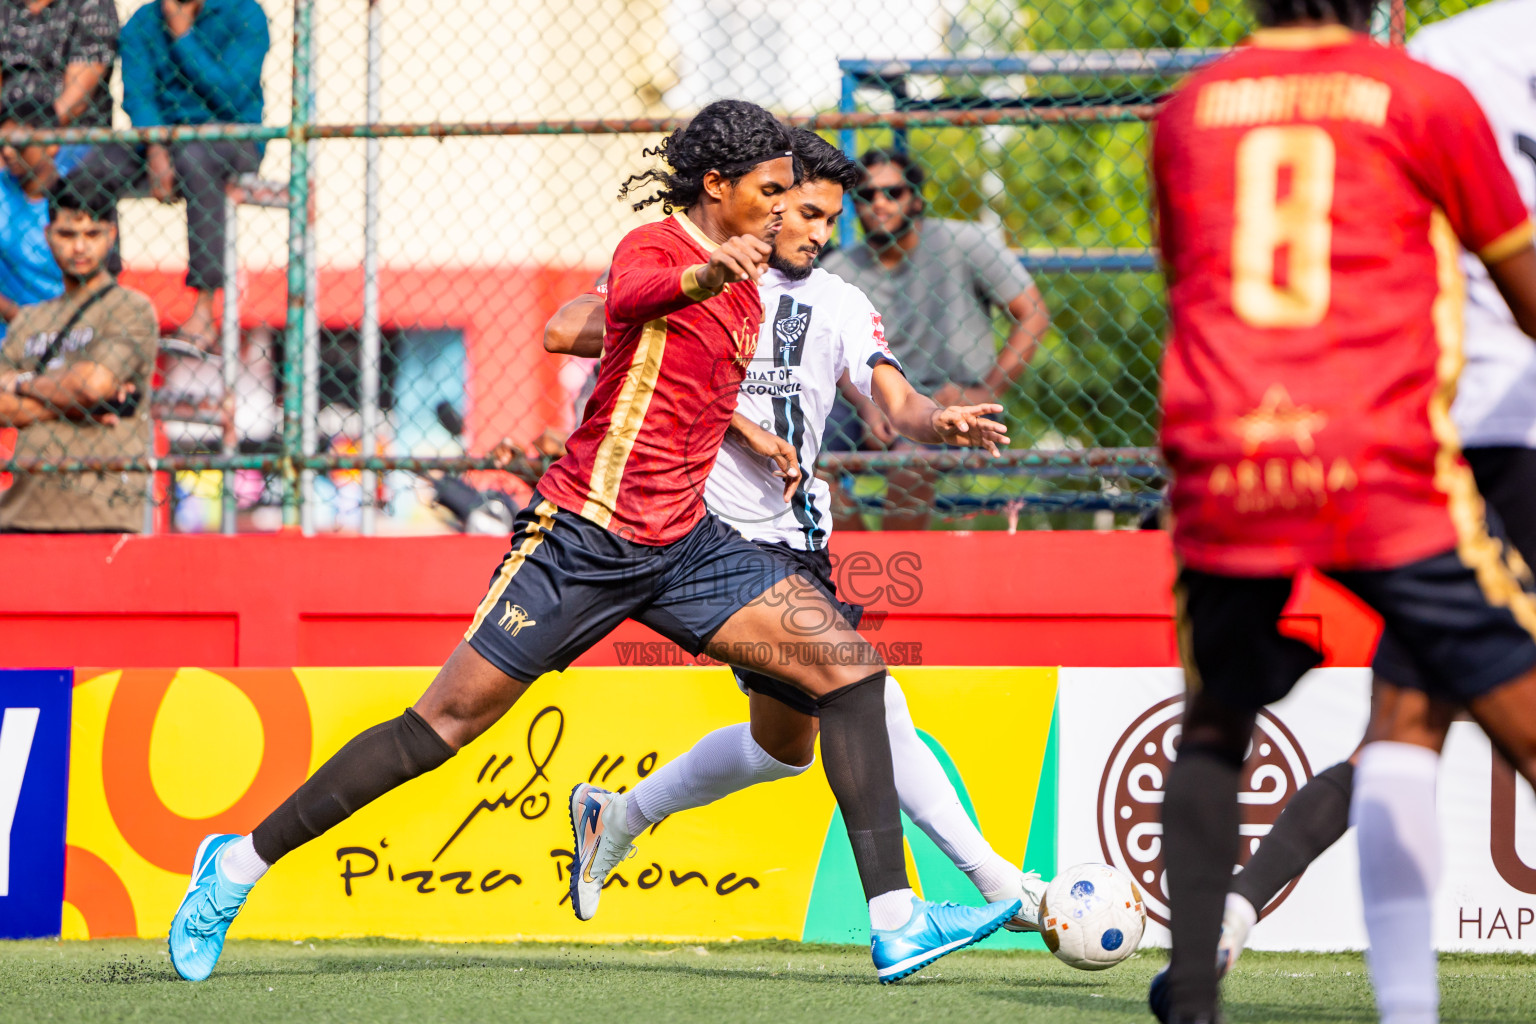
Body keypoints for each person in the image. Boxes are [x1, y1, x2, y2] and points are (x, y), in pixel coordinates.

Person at [165, 100, 1018, 987]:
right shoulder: (655, 251)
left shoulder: (773, 286)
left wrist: (818, 423)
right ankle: (236, 868)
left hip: (686, 543)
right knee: (444, 723)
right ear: (717, 187)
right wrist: (698, 279)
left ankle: (896, 918)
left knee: (851, 673)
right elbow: (631, 301)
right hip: (582, 538)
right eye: (769, 193)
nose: (780, 211)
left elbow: (709, 387)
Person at [543, 128, 1045, 932]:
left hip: (796, 541)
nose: (820, 232)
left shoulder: (839, 300)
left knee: (783, 748)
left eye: (831, 219)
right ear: (763, 199)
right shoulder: (698, 272)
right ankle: (999, 889)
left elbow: (895, 397)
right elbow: (567, 327)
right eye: (807, 212)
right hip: (707, 541)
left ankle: (620, 816)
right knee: (873, 699)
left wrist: (934, 420)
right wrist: (728, 404)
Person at [1146, 1, 1536, 1022]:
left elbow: (1194, 278)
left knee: (1216, 725)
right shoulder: (1421, 93)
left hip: (1227, 457)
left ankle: (1191, 995)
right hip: (1379, 458)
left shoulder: (1188, 109)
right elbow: (1517, 276)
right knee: (1517, 708)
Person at [819, 148, 1050, 529]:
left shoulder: (966, 242)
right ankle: (861, 567)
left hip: (950, 397)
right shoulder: (839, 269)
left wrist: (987, 390)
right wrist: (868, 407)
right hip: (868, 397)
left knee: (912, 461)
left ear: (917, 199)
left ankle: (893, 571)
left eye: (893, 192)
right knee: (801, 457)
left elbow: (1034, 313)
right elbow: (832, 353)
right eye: (866, 195)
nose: (880, 203)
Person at [66, 0, 268, 347]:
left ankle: (204, 309)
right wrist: (156, 147)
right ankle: (104, 301)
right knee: (94, 167)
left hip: (230, 137)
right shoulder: (143, 23)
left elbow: (231, 95)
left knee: (195, 157)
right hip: (160, 138)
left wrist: (183, 35)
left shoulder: (245, 14)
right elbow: (139, 96)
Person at [0, 181, 159, 532]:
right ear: (48, 234)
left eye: (92, 233)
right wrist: (86, 404)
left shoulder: (131, 309)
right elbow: (90, 394)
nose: (80, 246)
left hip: (104, 517)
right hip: (21, 515)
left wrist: (22, 386)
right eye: (67, 234)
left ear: (111, 235)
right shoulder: (29, 320)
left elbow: (93, 384)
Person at [0, 93, 88, 339]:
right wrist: (22, 320)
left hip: (70, 329)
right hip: (8, 329)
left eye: (18, 143)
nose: (7, 152)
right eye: (2, 143)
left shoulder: (78, 195)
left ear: (51, 144)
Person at [0, 0, 119, 129]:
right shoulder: (5, 7)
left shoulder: (92, 4)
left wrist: (34, 134)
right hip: (6, 127)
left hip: (73, 133)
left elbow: (77, 99)